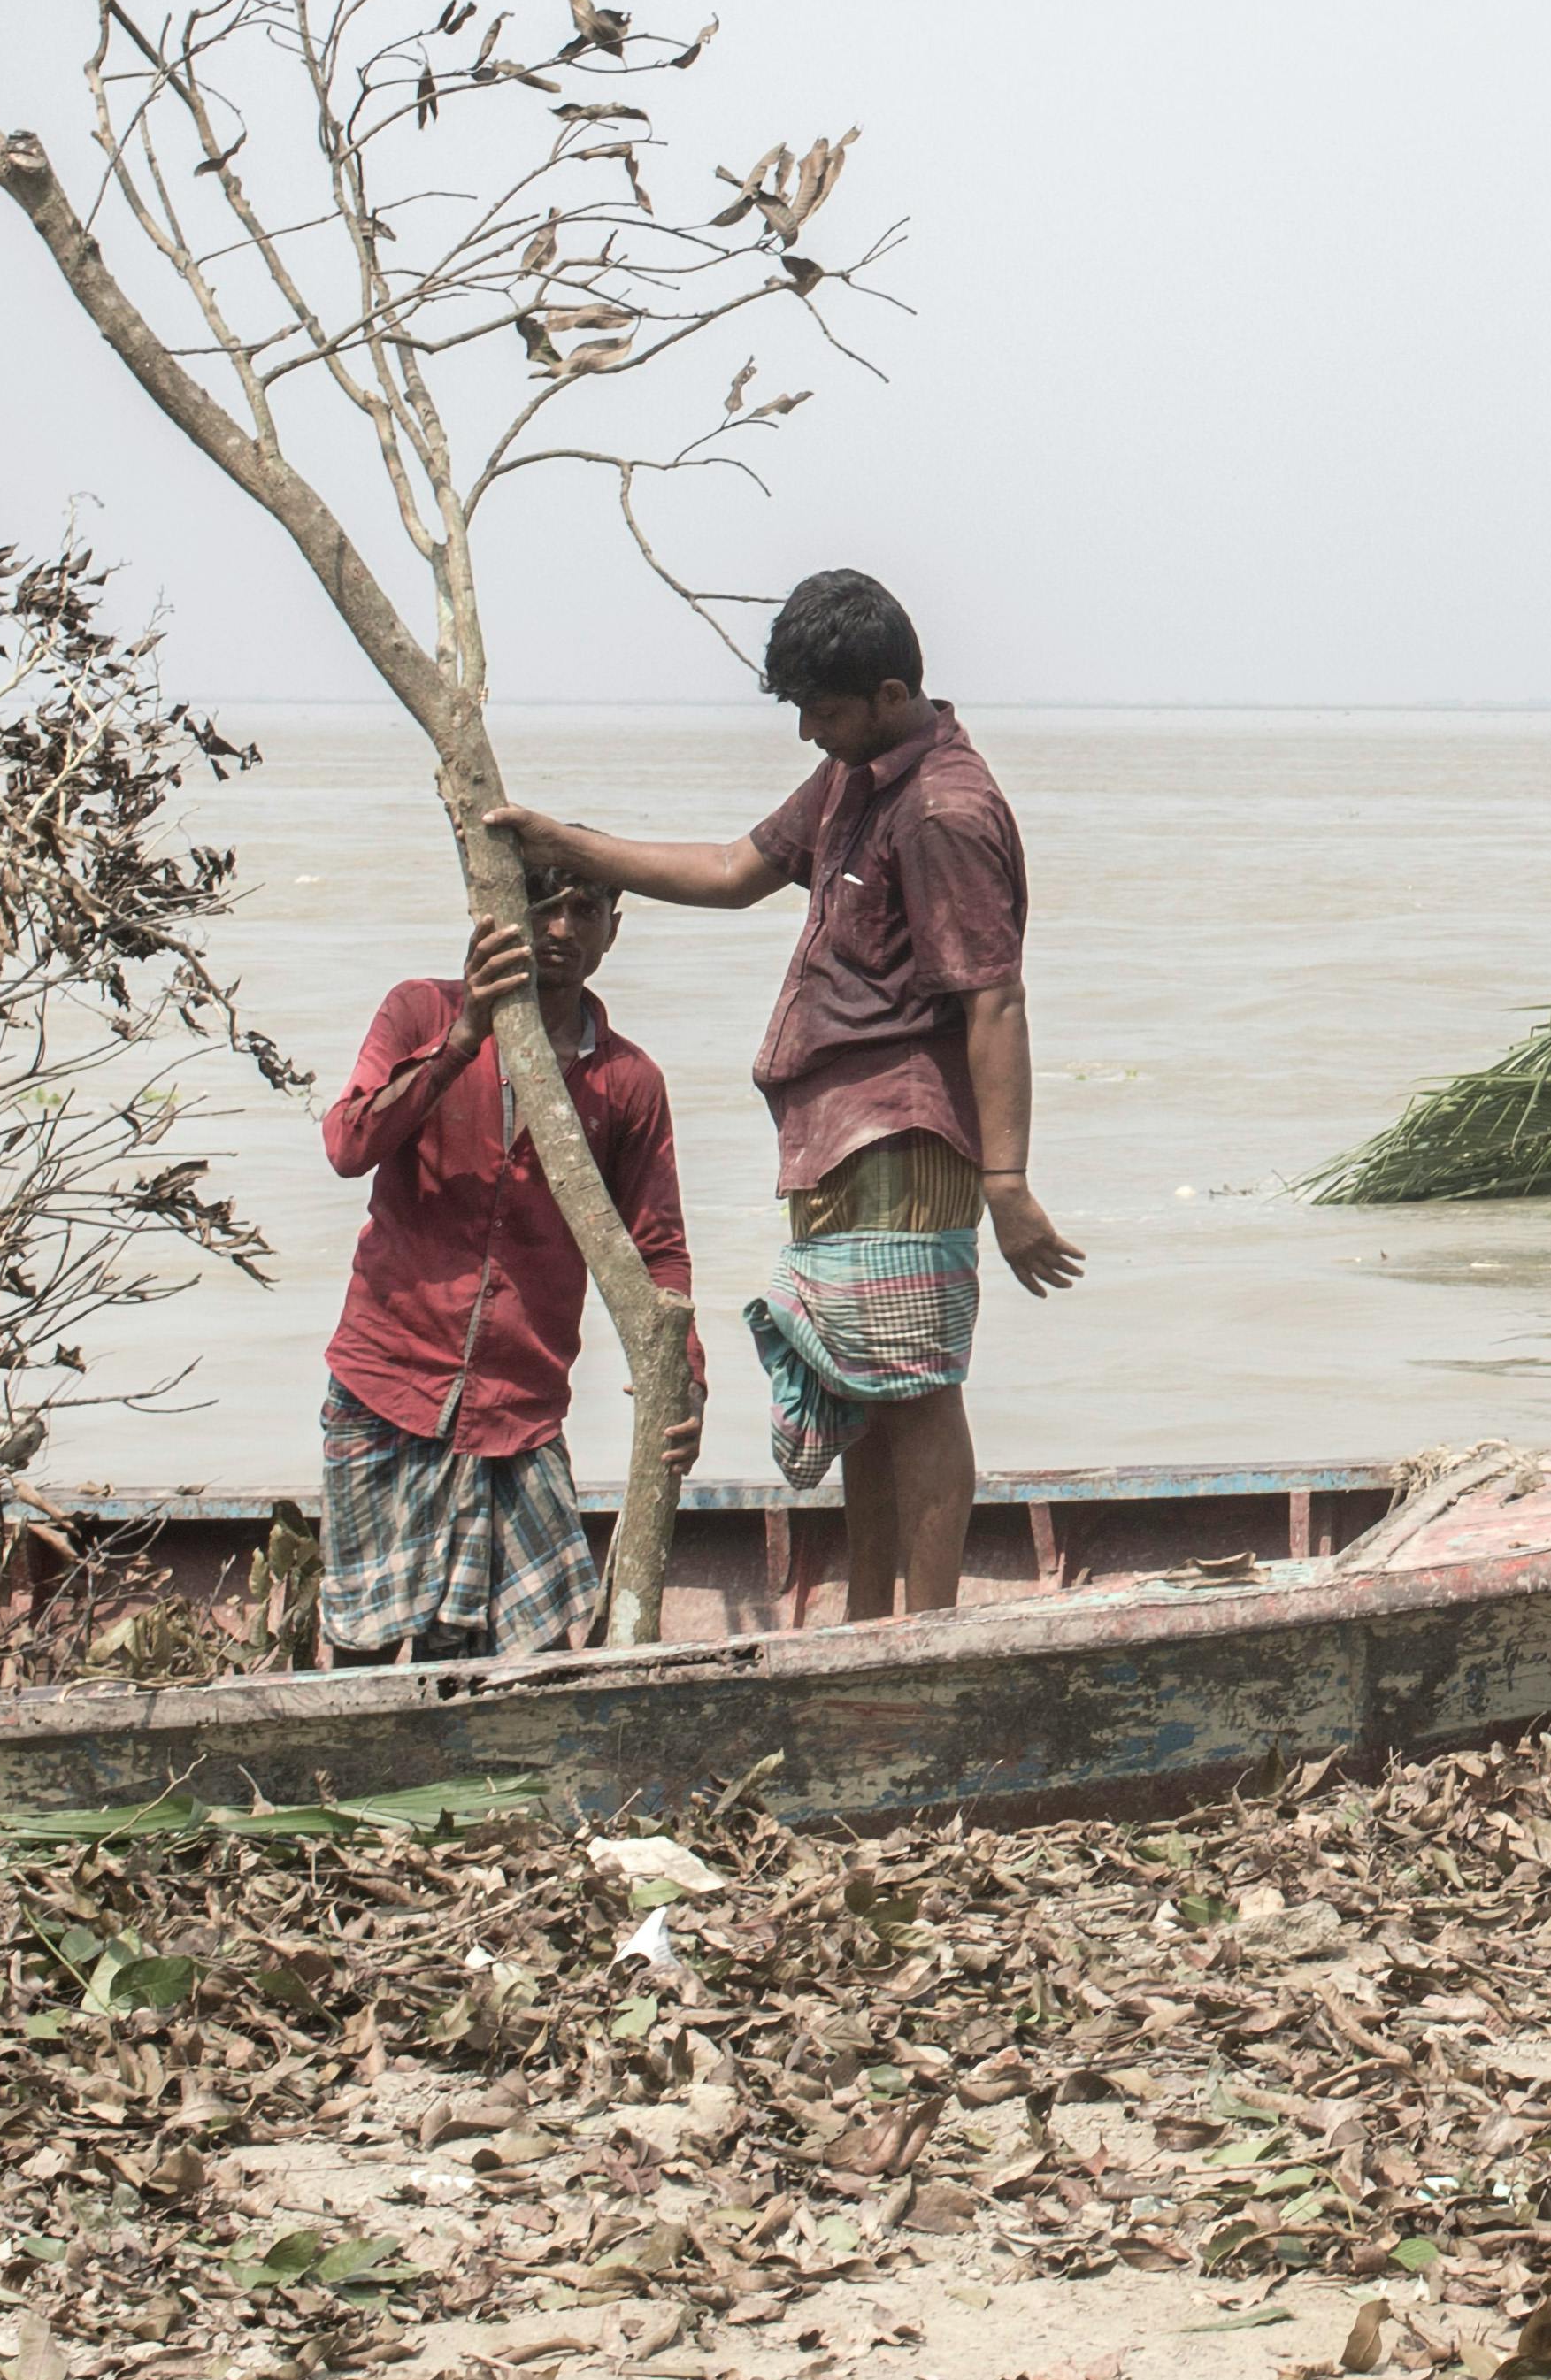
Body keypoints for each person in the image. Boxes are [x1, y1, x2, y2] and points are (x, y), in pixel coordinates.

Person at [497, 567, 1084, 1624]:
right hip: (833, 1131)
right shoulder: (855, 775)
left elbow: (994, 1001)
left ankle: (929, 1628)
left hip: (904, 1129)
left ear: (893, 691)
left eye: (824, 708)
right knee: (858, 1381)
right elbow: (732, 868)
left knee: (917, 1383)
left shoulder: (943, 807)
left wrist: (1008, 1181)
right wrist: (564, 842)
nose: (808, 729)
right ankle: (865, 1621)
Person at [312, 869, 690, 1666]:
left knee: (498, 1659)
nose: (558, 929)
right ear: (495, 913)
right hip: (388, 1382)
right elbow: (349, 1144)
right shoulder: (422, 1009)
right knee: (364, 1651)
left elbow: (656, 1246)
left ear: (611, 932)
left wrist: (681, 1381)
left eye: (583, 911)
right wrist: (463, 1038)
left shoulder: (626, 1081)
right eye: (538, 907)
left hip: (517, 1411)